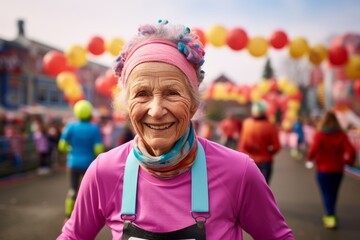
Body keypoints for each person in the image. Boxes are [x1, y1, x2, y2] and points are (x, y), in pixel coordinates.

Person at [57, 20, 294, 240]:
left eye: (172, 93)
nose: (156, 110)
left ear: (193, 104)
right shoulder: (103, 172)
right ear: (126, 106)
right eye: (142, 94)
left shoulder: (239, 173)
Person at [306, 110, 356, 229]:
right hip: (338, 170)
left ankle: (330, 215)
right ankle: (331, 212)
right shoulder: (342, 135)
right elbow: (351, 151)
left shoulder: (319, 135)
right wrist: (348, 162)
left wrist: (309, 159)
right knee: (333, 193)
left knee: (326, 193)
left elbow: (314, 149)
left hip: (323, 170)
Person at [58, 99, 105, 220]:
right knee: (88, 192)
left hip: (73, 163)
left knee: (73, 190)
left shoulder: (70, 126)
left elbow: (61, 146)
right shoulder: (94, 128)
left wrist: (71, 150)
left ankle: (68, 216)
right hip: (88, 165)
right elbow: (99, 150)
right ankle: (86, 217)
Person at [238, 101, 281, 184]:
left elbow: (242, 145)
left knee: (250, 188)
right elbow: (276, 146)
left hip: (248, 160)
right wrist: (268, 152)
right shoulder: (270, 126)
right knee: (264, 187)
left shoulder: (247, 124)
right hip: (265, 160)